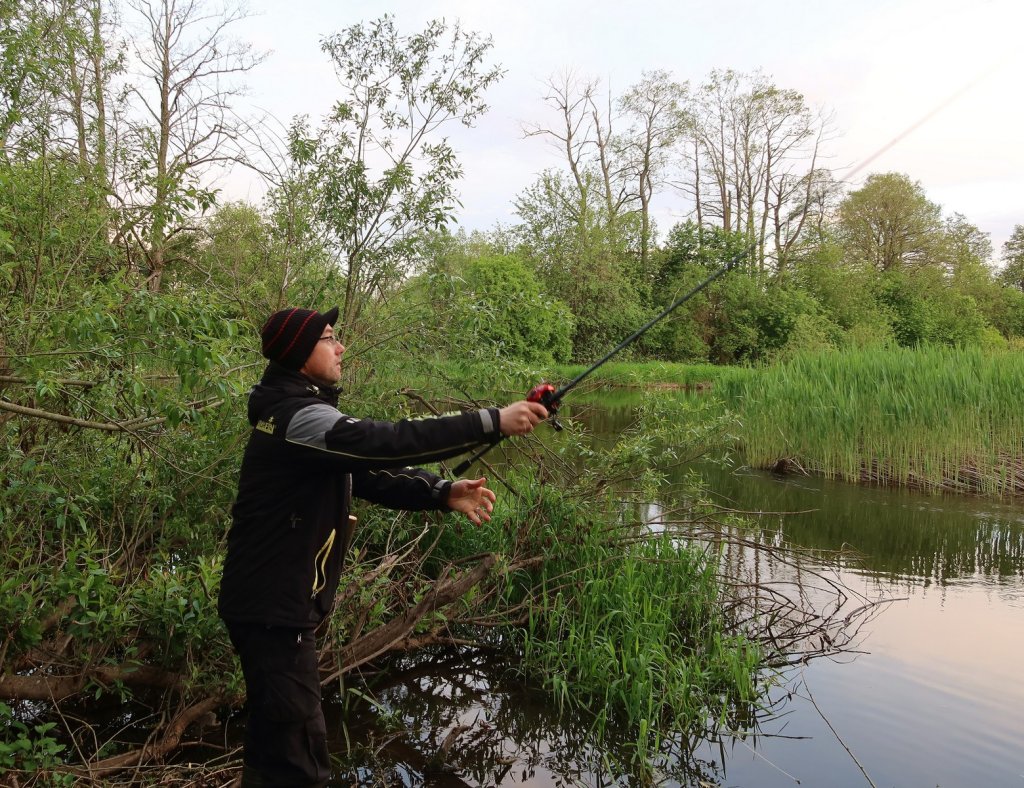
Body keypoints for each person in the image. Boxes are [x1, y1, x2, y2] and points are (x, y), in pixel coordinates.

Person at [218, 306, 548, 787]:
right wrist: (491, 420)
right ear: (297, 352)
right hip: (274, 607)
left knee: (278, 741)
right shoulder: (298, 416)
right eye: (329, 338)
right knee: (297, 757)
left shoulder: (293, 412)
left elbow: (365, 473)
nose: (340, 346)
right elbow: (384, 442)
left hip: (270, 602)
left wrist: (441, 492)